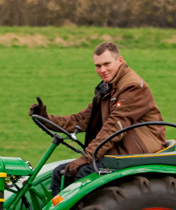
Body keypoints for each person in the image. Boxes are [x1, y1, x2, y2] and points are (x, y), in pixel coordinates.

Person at [29, 41, 166, 190]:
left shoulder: (131, 87)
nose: (102, 70)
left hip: (137, 152)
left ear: (120, 60)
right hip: (119, 149)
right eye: (98, 66)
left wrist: (87, 157)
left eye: (107, 64)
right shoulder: (108, 87)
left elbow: (114, 127)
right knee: (60, 173)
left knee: (83, 175)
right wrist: (46, 119)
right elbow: (82, 119)